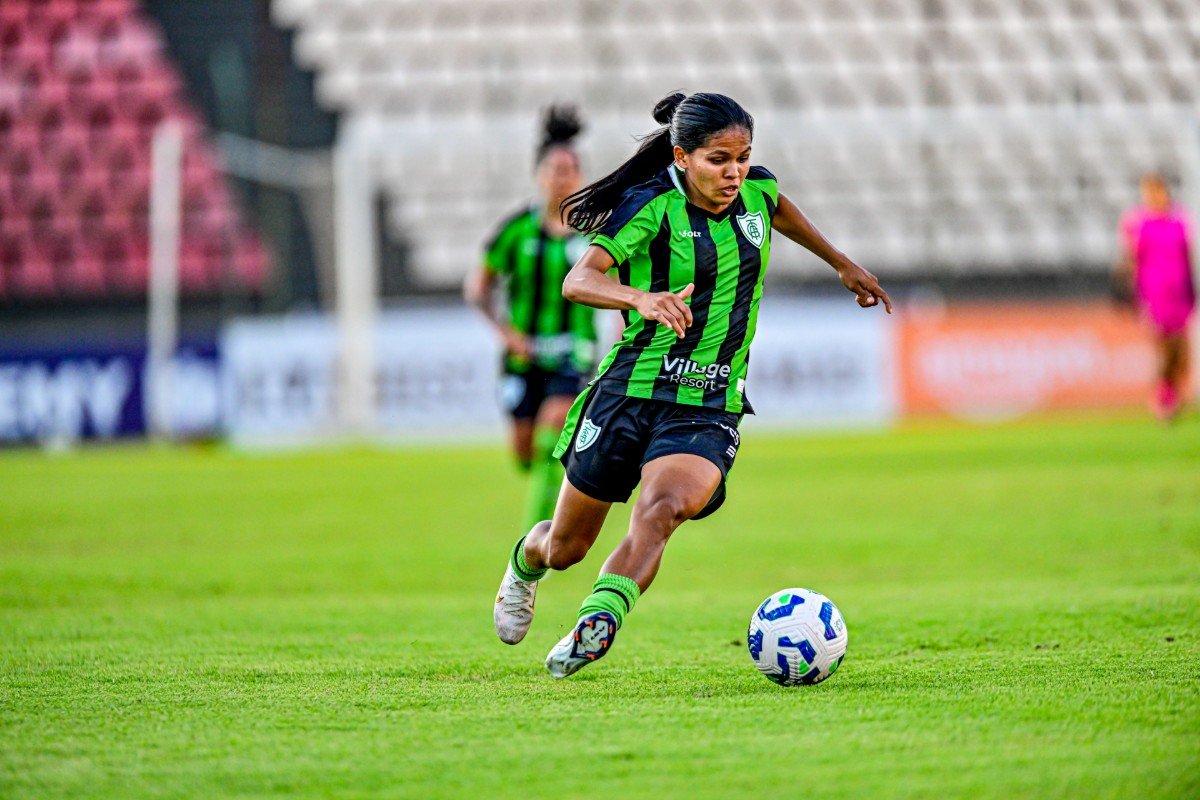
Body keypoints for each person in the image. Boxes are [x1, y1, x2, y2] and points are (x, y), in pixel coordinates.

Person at [492, 92, 891, 678]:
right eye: (718, 160)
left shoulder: (757, 192)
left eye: (743, 158)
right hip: (629, 393)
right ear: (682, 157)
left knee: (663, 509)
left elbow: (781, 210)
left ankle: (598, 620)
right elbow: (579, 281)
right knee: (565, 548)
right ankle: (525, 563)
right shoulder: (650, 206)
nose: (734, 173)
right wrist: (641, 298)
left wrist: (841, 262)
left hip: (708, 401)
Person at [465, 105, 597, 534]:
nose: (562, 177)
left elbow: (617, 286)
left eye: (570, 170)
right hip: (522, 358)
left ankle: (536, 539)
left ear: (581, 177)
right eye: (555, 169)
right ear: (539, 175)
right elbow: (478, 287)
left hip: (573, 352)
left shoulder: (594, 234)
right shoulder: (518, 230)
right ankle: (548, 503)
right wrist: (506, 333)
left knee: (551, 433)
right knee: (524, 453)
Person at [1116, 173, 1195, 421]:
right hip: (1153, 291)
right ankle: (1164, 394)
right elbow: (1130, 258)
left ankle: (1171, 390)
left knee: (1181, 349)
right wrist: (1128, 290)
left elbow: (1188, 256)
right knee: (1164, 345)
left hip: (1179, 290)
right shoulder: (1137, 222)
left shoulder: (1180, 220)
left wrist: (1192, 288)